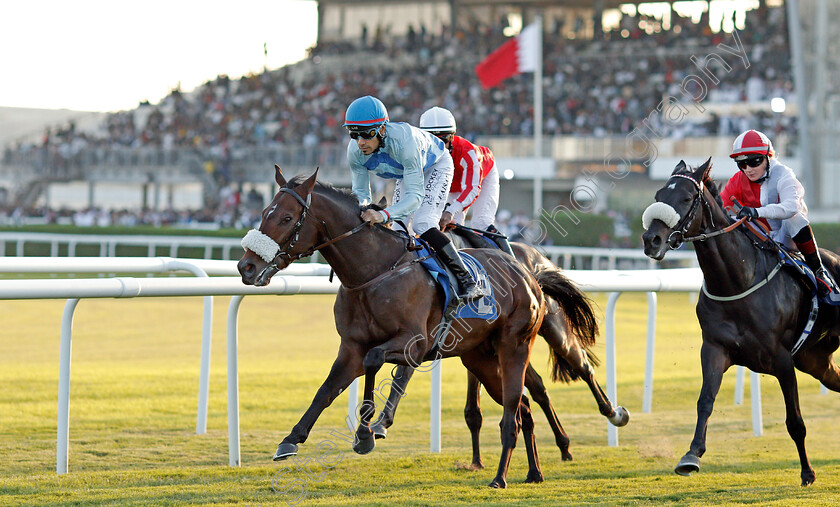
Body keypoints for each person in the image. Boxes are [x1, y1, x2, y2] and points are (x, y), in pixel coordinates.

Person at [344, 95, 485, 302]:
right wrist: (365, 211)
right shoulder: (355, 151)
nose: (360, 142)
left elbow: (415, 197)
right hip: (407, 171)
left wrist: (382, 215)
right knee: (400, 229)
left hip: (436, 164)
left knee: (422, 223)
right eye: (353, 134)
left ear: (382, 129)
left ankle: (467, 280)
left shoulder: (404, 142)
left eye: (366, 134)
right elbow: (362, 194)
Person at [720, 129, 839, 298]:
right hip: (758, 236)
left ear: (768, 157)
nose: (748, 169)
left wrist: (756, 212)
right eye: (742, 163)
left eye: (754, 161)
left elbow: (791, 206)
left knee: (794, 218)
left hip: (786, 236)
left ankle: (819, 271)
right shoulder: (737, 180)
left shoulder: (784, 175)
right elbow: (721, 210)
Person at [418, 106, 514, 256]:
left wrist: (450, 209)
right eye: (432, 140)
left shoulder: (468, 152)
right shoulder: (421, 153)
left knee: (481, 222)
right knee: (450, 225)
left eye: (443, 139)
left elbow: (471, 189)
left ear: (452, 136)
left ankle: (512, 262)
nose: (439, 147)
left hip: (482, 177)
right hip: (453, 185)